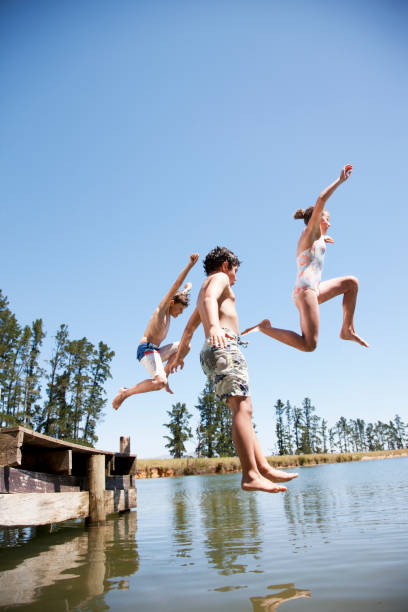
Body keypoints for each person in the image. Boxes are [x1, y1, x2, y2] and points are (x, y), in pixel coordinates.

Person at [170, 246, 298, 493]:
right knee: (243, 407)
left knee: (244, 410)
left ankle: (262, 468)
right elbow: (208, 302)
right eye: (235, 271)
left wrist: (178, 356)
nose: (236, 278)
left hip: (213, 349)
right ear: (226, 265)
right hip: (224, 344)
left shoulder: (205, 290)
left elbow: (188, 331)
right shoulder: (218, 279)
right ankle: (250, 474)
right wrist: (216, 327)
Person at [242, 164, 369, 351]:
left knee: (352, 283)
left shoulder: (316, 238)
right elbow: (321, 199)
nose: (330, 223)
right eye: (327, 218)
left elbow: (312, 246)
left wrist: (323, 239)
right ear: (317, 219)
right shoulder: (310, 232)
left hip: (314, 289)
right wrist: (340, 181)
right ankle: (264, 328)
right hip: (305, 289)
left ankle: (347, 329)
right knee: (309, 345)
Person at [112, 253, 199, 410]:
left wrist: (187, 289)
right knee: (160, 383)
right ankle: (125, 392)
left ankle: (165, 374)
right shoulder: (163, 309)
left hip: (156, 351)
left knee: (186, 345)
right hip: (146, 349)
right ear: (171, 303)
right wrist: (190, 266)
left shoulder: (174, 303)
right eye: (179, 310)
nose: (179, 314)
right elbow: (175, 285)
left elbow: (181, 294)